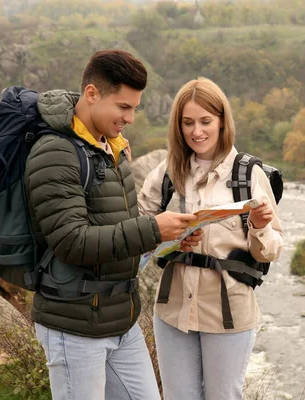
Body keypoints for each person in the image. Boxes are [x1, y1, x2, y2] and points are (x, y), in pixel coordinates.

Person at [25, 49, 199, 400]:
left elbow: (115, 228)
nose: (130, 118)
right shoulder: (55, 153)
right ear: (92, 94)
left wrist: (167, 239)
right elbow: (73, 242)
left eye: (134, 107)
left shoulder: (110, 146)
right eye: (123, 107)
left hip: (120, 320)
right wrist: (153, 229)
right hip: (73, 325)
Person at [138, 77, 283, 400]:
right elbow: (137, 234)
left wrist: (259, 226)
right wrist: (167, 238)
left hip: (229, 313)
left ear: (221, 122)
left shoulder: (249, 175)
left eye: (205, 121)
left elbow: (271, 250)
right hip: (172, 309)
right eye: (187, 123)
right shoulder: (166, 172)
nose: (196, 131)